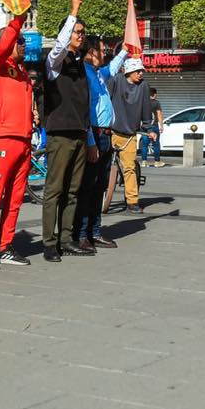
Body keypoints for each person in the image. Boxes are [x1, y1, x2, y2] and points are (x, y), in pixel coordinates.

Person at [0, 12, 35, 270]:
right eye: (18, 40)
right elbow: (5, 43)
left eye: (23, 40)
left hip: (23, 141)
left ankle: (6, 245)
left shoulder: (22, 72)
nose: (22, 44)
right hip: (0, 139)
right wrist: (18, 20)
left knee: (15, 199)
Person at [42, 0, 90, 261]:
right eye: (76, 31)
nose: (80, 36)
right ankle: (49, 243)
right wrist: (72, 12)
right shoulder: (54, 62)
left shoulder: (82, 64)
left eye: (82, 32)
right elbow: (59, 48)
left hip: (80, 134)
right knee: (55, 190)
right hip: (60, 134)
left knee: (73, 190)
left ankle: (67, 237)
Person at [75, 36, 127, 250]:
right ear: (90, 52)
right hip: (93, 135)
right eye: (101, 50)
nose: (104, 54)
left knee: (100, 187)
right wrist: (90, 142)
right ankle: (81, 233)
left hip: (106, 135)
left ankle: (95, 231)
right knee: (88, 186)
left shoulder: (97, 73)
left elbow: (112, 68)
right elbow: (85, 111)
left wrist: (124, 51)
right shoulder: (84, 75)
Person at [109, 56, 156, 215]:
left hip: (130, 134)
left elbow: (146, 108)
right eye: (138, 71)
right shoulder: (116, 81)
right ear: (128, 71)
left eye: (142, 70)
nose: (141, 73)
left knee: (129, 168)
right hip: (111, 130)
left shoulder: (143, 86)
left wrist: (149, 129)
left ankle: (132, 201)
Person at [139, 87, 164, 168]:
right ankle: (157, 161)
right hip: (154, 125)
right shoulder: (156, 103)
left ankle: (144, 161)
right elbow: (159, 114)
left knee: (144, 145)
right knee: (156, 144)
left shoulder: (143, 102)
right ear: (154, 94)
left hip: (145, 126)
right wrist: (161, 125)